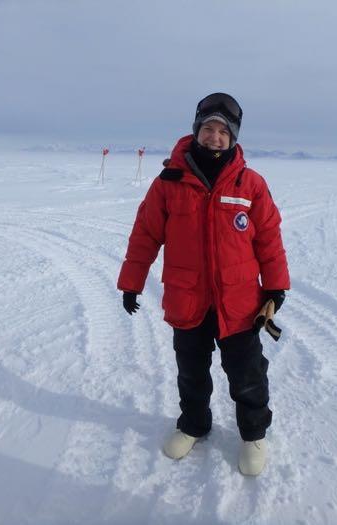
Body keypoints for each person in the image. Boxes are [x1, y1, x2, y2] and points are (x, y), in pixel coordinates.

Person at [117, 93, 290, 476]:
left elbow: (269, 239)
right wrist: (131, 282)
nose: (215, 137)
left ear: (233, 138)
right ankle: (194, 424)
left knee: (247, 373)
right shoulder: (169, 183)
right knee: (191, 371)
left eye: (223, 132)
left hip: (240, 303)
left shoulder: (251, 184)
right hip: (188, 298)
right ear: (196, 131)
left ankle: (253, 434)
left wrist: (276, 288)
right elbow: (145, 235)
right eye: (208, 129)